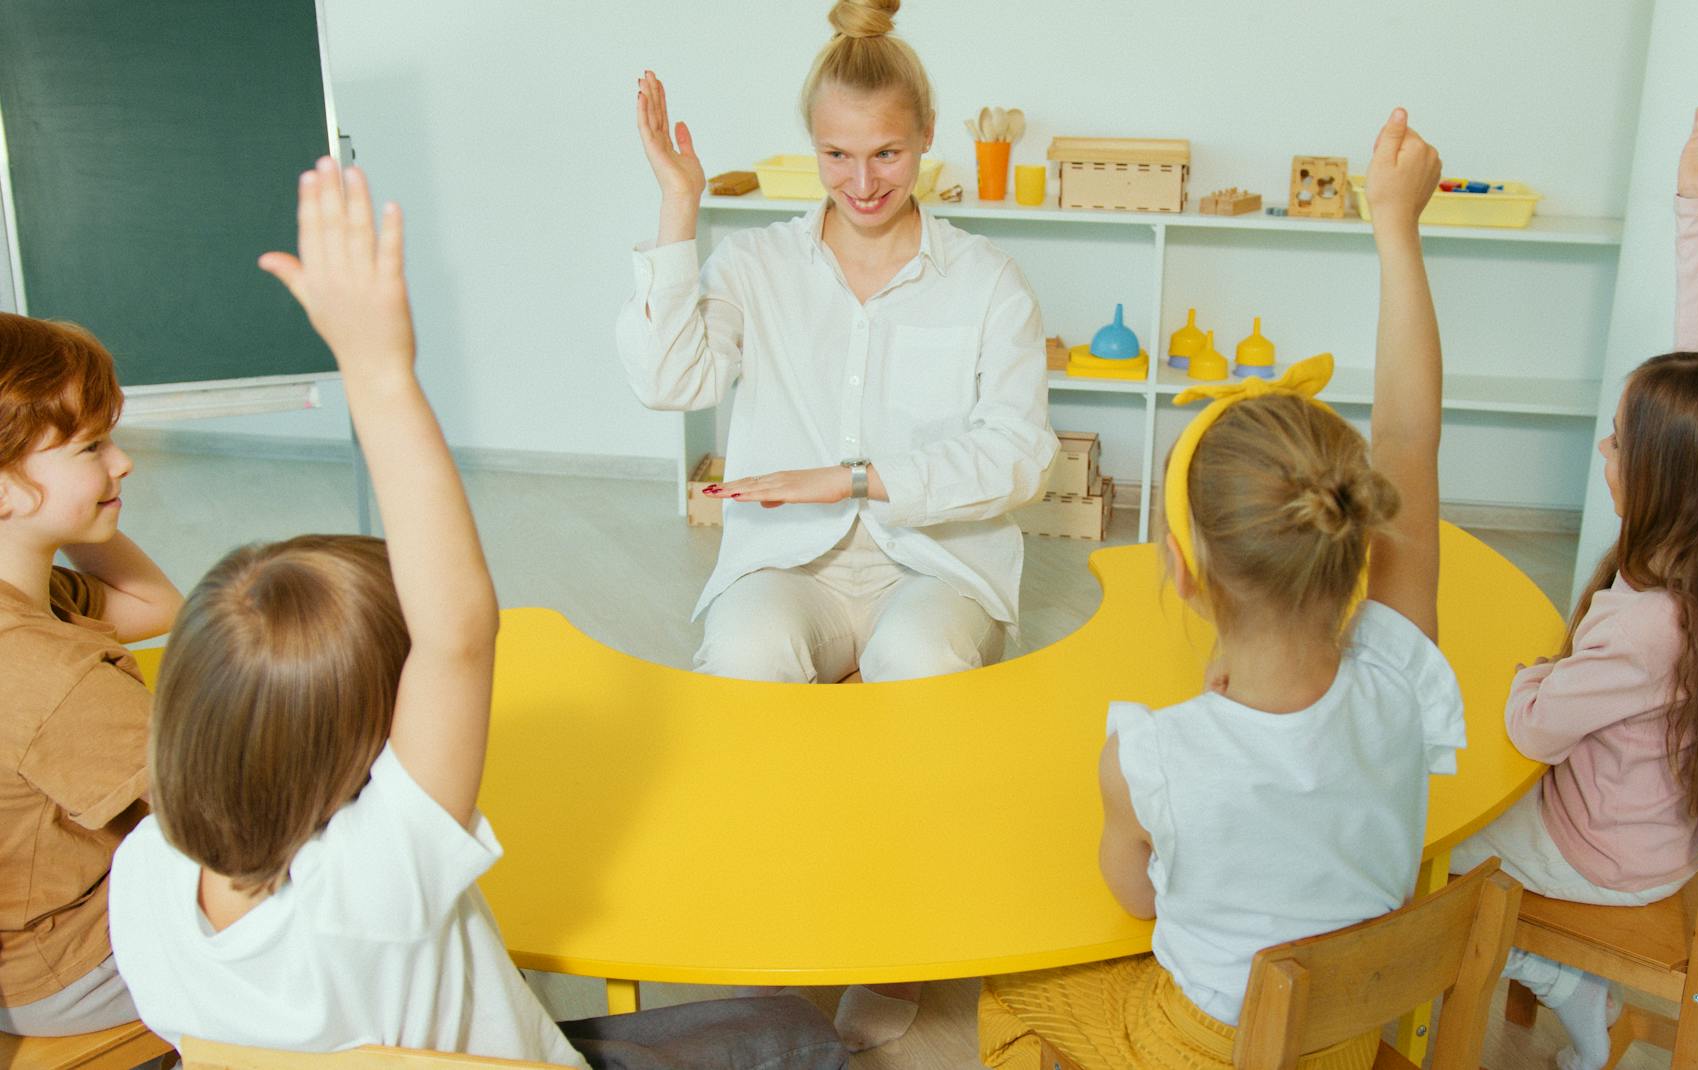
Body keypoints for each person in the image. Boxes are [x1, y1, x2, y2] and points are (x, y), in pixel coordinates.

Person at [106, 158, 845, 1070]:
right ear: (372, 737)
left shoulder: (140, 877)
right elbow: (458, 634)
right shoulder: (378, 884)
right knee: (798, 1033)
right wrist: (380, 372)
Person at [977, 109, 1463, 1070]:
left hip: (1205, 1045)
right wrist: (1397, 229)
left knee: (1012, 996)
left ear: (1183, 570)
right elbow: (1411, 437)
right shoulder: (1404, 675)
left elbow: (1139, 902)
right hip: (1348, 1035)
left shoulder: (1151, 757)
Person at [1448, 92, 1698, 1070]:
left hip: (1600, 851)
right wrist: (1695, 202)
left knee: (1426, 853)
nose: (1606, 448)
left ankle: (1567, 999)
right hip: (1660, 824)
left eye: (1619, 440)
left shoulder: (1646, 628)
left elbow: (1530, 724)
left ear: (1670, 481)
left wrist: (1533, 673)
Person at [618, 0, 1056, 692]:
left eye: (886, 153)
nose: (862, 184)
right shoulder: (753, 263)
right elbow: (670, 383)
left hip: (936, 566)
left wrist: (854, 479)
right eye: (836, 155)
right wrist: (679, 202)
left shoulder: (988, 280)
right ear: (811, 144)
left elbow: (1020, 457)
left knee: (918, 659)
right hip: (788, 566)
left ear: (927, 135)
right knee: (743, 658)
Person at [0, 313, 181, 1034]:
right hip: (68, 967)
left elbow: (154, 606)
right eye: (92, 445)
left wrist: (83, 503)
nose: (125, 462)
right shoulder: (49, 674)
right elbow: (221, 815)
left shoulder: (31, 600)